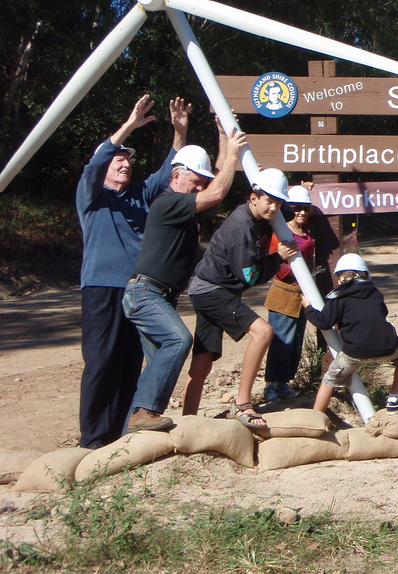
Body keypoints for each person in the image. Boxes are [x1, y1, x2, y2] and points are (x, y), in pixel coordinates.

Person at [75, 94, 188, 449]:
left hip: (135, 291)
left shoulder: (140, 194)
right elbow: (95, 164)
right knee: (101, 362)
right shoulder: (92, 195)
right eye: (119, 160)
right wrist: (129, 125)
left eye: (128, 160)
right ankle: (93, 438)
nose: (125, 164)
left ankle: (122, 434)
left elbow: (168, 172)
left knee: (129, 365)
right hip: (101, 288)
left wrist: (180, 132)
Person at [122, 131, 246, 433]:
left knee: (157, 368)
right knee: (178, 340)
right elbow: (216, 194)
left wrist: (222, 136)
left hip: (160, 296)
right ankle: (144, 414)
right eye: (196, 180)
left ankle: (130, 434)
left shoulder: (184, 207)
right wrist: (233, 155)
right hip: (145, 293)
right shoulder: (168, 201)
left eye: (203, 181)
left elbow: (214, 183)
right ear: (176, 176)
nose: (200, 186)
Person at [181, 169, 299, 429]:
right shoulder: (242, 226)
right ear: (253, 197)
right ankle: (243, 403)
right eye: (269, 201)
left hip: (208, 289)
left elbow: (287, 213)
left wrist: (279, 197)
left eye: (278, 202)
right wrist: (278, 258)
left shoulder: (260, 214)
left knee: (204, 357)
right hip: (213, 290)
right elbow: (250, 275)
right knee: (263, 332)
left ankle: (188, 420)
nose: (274, 208)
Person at [300, 253, 398, 414]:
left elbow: (323, 322)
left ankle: (315, 417)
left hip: (355, 352)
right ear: (365, 275)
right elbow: (382, 313)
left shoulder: (338, 297)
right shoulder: (375, 292)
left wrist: (308, 308)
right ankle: (394, 398)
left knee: (329, 379)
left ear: (340, 279)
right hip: (389, 346)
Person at [262, 184, 317, 404]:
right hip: (284, 292)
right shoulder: (281, 231)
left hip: (302, 294)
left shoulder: (306, 231)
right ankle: (271, 386)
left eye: (305, 208)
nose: (302, 212)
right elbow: (274, 261)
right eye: (296, 208)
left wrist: (305, 188)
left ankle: (284, 384)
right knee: (280, 342)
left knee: (295, 342)